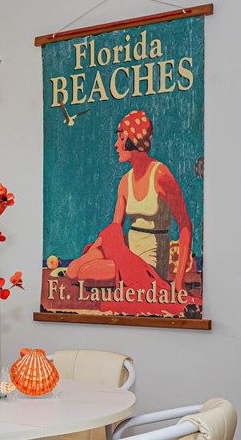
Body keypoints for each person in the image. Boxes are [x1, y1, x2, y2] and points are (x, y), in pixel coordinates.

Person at [66, 110, 194, 300]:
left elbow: (185, 226)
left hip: (149, 259)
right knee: (73, 270)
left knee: (86, 273)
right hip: (127, 247)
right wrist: (95, 249)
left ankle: (134, 274)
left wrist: (180, 279)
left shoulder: (160, 174)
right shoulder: (125, 182)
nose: (116, 144)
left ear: (134, 140)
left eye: (121, 138)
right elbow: (115, 229)